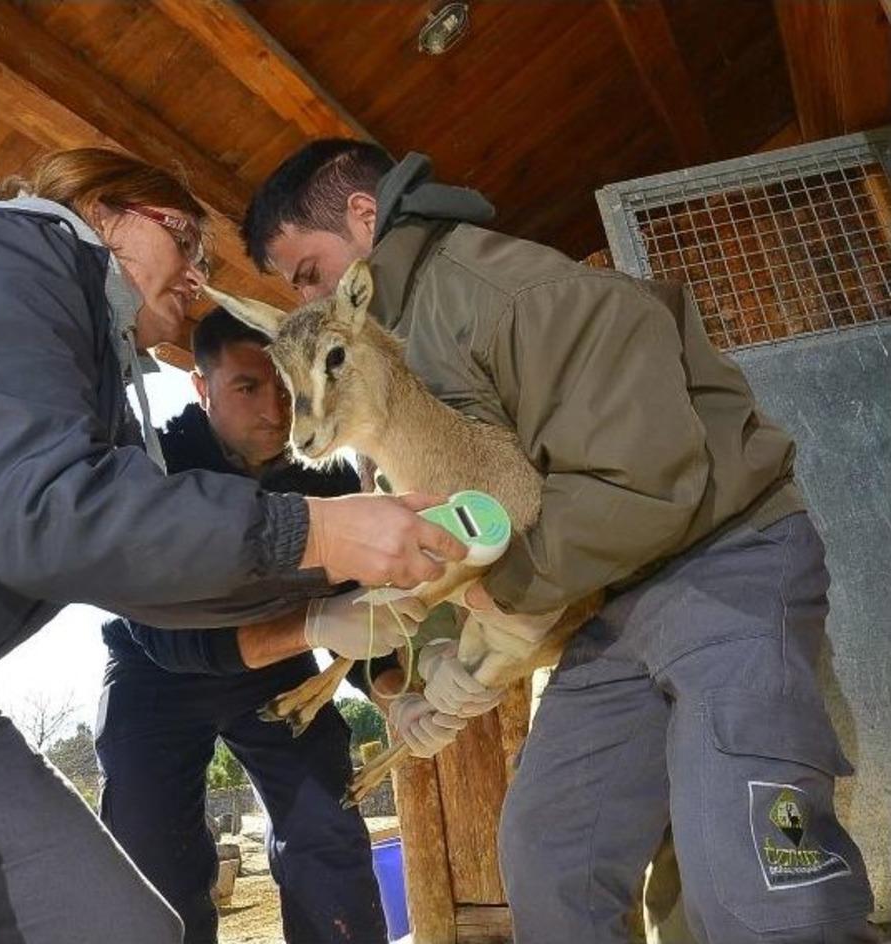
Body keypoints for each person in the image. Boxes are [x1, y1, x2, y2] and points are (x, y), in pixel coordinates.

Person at [0, 147, 468, 944]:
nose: (195, 275)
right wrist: (319, 535)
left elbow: (135, 565)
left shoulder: (99, 394)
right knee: (160, 855)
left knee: (128, 926)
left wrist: (385, 663)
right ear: (102, 209)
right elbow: (48, 515)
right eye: (184, 239)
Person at [239, 140, 877, 943]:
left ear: (364, 219)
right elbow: (465, 520)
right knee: (550, 859)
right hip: (611, 603)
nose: (312, 299)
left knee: (754, 889)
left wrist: (494, 613)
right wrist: (436, 659)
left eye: (308, 271)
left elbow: (642, 482)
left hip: (725, 562)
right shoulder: (390, 354)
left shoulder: (508, 292)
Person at [95, 307, 400, 944]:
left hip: (279, 669)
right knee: (152, 863)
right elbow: (169, 638)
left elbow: (365, 604)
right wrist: (317, 624)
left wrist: (401, 685)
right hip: (156, 676)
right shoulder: (154, 467)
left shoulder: (328, 472)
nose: (276, 410)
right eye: (247, 387)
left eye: (287, 388)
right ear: (201, 387)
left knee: (328, 837)